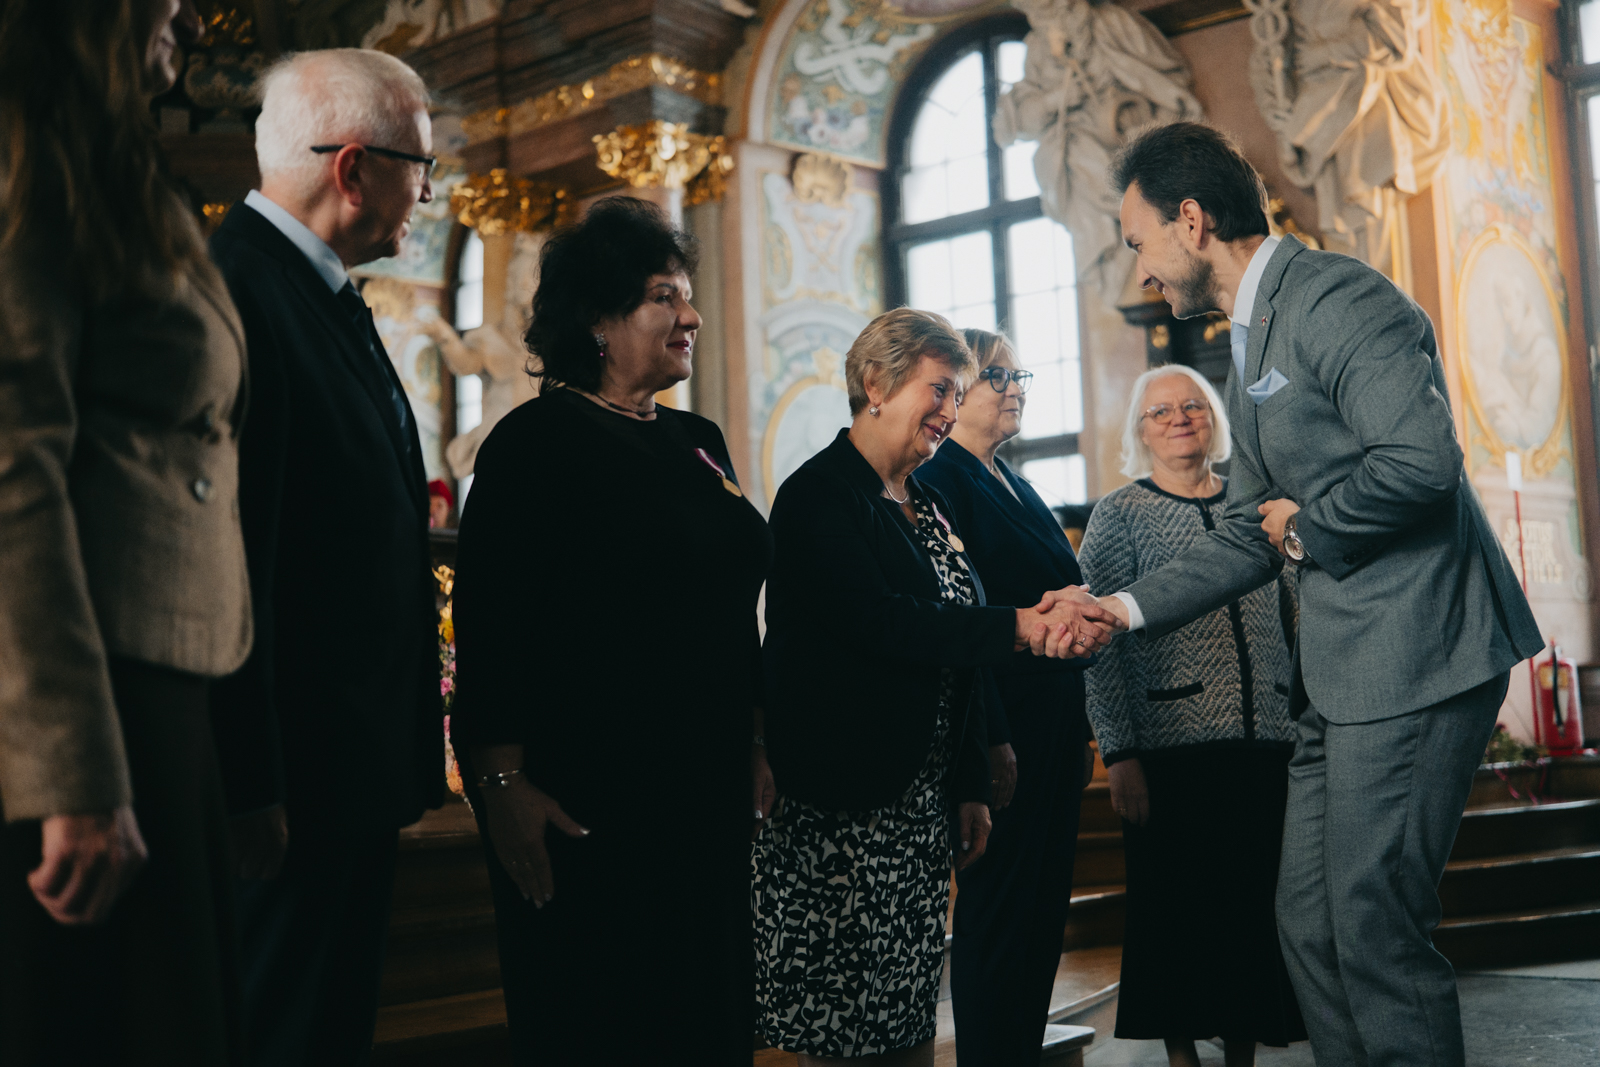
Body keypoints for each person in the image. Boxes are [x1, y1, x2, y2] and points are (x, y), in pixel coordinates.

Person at [1094, 121, 1542, 1066]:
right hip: (1337, 677)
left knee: (1373, 923)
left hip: (1416, 651)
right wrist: (1118, 609)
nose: (1140, 270)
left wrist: (1307, 527)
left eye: (1138, 242)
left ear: (1191, 218)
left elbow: (1422, 462)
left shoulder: (1335, 296)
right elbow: (1243, 529)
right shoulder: (1251, 331)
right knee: (1306, 924)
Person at [448, 197, 771, 1065]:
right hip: (591, 803)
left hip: (703, 795)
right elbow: (490, 628)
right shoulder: (532, 446)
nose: (690, 315)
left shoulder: (698, 441)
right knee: (610, 1020)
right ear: (597, 317)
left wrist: (755, 738)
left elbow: (731, 609)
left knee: (708, 1015)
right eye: (664, 296)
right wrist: (500, 779)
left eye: (688, 296)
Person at [754, 308, 1118, 1067]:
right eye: (940, 389)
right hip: (845, 802)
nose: (951, 410)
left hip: (918, 806)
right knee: (847, 1026)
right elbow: (886, 623)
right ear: (876, 384)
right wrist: (1021, 625)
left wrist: (978, 761)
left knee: (909, 1013)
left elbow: (957, 631)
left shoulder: (930, 500)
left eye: (959, 392)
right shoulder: (819, 495)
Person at [0, 1, 252, 1062]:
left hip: (166, 683)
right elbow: (13, 466)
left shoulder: (112, 163)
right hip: (94, 699)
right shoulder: (28, 154)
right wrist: (73, 774)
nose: (191, 15)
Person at [207, 49, 444, 1064]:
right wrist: (248, 782)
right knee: (283, 1032)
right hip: (293, 779)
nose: (428, 192)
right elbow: (232, 559)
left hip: (345, 769)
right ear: (353, 169)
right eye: (419, 166)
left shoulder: (322, 291)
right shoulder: (238, 297)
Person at [1077, 364, 1305, 1067]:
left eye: (1193, 406)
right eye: (1160, 411)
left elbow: (1295, 613)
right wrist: (1119, 752)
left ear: (1215, 418)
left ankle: (1241, 1052)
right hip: (1169, 749)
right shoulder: (1121, 514)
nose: (1179, 417)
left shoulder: (1256, 502)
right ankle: (1182, 1056)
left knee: (1249, 907)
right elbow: (1098, 641)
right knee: (1175, 912)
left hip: (1264, 739)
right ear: (1138, 432)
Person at [916, 328, 1097, 1067]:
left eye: (1020, 370)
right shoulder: (942, 481)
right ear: (954, 396)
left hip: (1054, 718)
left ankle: (1019, 1047)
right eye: (998, 374)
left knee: (1042, 905)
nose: (1017, 383)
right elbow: (965, 615)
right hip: (1002, 726)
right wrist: (989, 734)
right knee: (1000, 906)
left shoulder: (1014, 481)